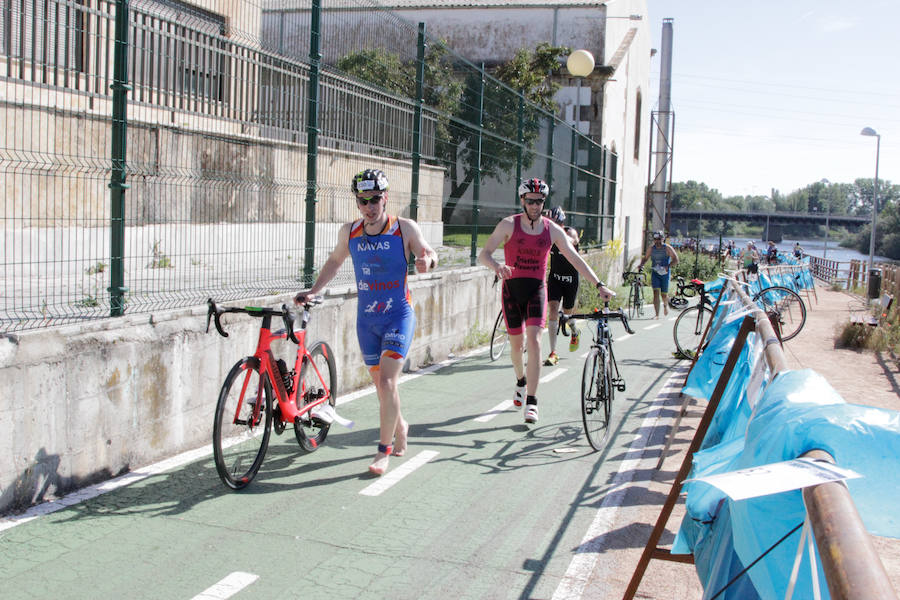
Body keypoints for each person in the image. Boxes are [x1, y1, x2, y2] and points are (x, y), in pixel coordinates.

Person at [294, 168, 437, 476]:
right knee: (381, 386)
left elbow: (428, 252)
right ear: (357, 202)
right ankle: (401, 426)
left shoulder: (404, 228)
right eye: (363, 201)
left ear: (385, 198)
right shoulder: (350, 232)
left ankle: (382, 451)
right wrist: (313, 290)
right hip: (366, 320)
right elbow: (334, 261)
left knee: (387, 382)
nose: (370, 207)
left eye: (375, 200)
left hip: (398, 315)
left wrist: (427, 261)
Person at [478, 178, 614, 424]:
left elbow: (574, 258)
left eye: (539, 201)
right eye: (530, 201)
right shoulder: (509, 225)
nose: (535, 206)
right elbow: (483, 254)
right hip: (511, 290)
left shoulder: (551, 229)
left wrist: (599, 284)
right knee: (516, 348)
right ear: (522, 201)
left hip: (537, 290)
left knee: (535, 342)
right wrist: (497, 266)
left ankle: (532, 400)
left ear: (544, 202)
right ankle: (520, 381)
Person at [543, 206, 582, 366]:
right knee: (552, 310)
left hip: (571, 280)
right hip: (555, 278)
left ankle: (575, 330)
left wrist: (560, 238)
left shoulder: (569, 233)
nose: (552, 226)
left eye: (555, 223)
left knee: (567, 315)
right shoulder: (546, 235)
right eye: (550, 223)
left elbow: (573, 241)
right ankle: (553, 352)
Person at [637, 231, 679, 319]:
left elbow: (676, 259)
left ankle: (665, 305)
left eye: (659, 239)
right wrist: (642, 264)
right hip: (655, 273)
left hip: (665, 274)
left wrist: (668, 266)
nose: (657, 241)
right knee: (655, 292)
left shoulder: (667, 248)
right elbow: (645, 258)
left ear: (663, 239)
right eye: (655, 239)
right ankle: (657, 314)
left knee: (664, 295)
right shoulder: (651, 248)